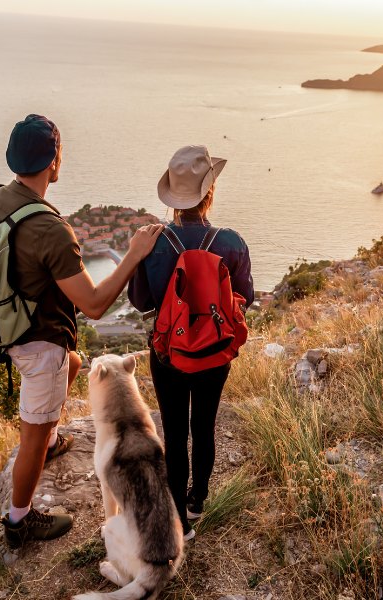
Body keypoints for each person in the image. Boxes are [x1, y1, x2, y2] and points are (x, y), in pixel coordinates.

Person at [0, 114, 164, 548]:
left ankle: (47, 442)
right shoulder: (49, 229)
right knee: (33, 431)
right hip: (37, 341)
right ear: (55, 161)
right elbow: (95, 304)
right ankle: (19, 521)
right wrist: (134, 254)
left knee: (75, 361)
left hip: (8, 326)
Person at [128, 144, 253, 541]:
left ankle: (179, 520)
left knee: (175, 432)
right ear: (209, 193)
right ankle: (199, 500)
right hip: (215, 352)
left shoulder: (153, 241)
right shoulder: (231, 242)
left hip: (168, 354)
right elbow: (245, 298)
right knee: (205, 426)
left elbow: (141, 301)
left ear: (173, 199)